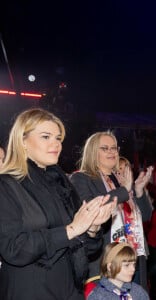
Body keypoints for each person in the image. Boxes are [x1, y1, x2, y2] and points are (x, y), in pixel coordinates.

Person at [0, 108, 116, 300]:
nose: (56, 144)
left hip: (70, 288)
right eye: (46, 137)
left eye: (59, 138)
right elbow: (14, 249)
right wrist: (72, 229)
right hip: (29, 290)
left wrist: (92, 228)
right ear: (23, 141)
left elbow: (87, 250)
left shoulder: (61, 184)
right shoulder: (6, 184)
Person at [70, 131, 153, 291]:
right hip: (105, 259)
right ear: (93, 152)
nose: (111, 152)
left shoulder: (120, 178)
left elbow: (146, 216)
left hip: (133, 256)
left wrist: (139, 191)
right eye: (105, 148)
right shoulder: (81, 178)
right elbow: (92, 210)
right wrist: (124, 191)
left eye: (114, 148)